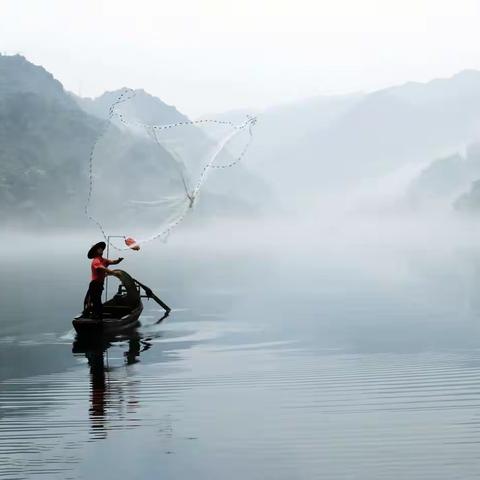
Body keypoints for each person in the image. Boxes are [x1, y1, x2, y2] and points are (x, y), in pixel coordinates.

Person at [84, 241, 124, 319]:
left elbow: (112, 262)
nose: (101, 250)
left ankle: (96, 315)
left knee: (96, 300)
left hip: (99, 284)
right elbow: (102, 268)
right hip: (94, 284)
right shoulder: (96, 261)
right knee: (95, 301)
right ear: (96, 251)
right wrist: (114, 273)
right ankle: (95, 316)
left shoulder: (103, 260)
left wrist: (118, 260)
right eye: (99, 249)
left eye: (102, 248)